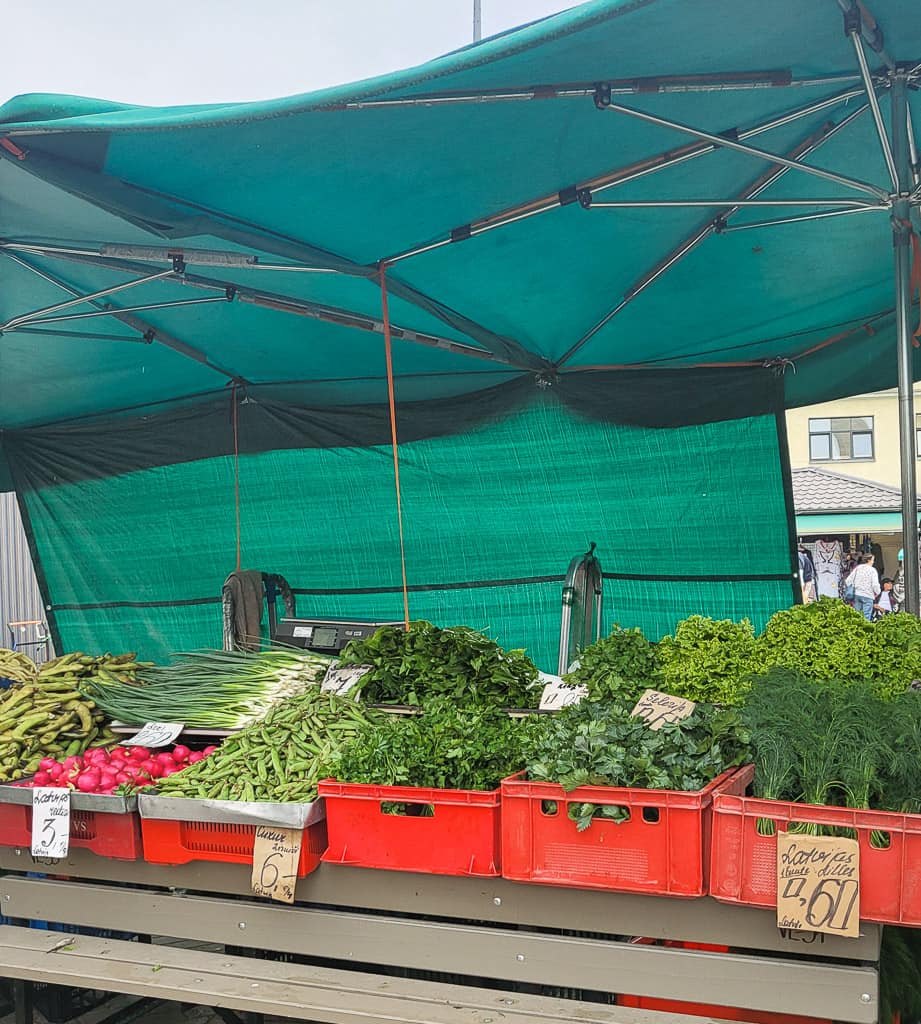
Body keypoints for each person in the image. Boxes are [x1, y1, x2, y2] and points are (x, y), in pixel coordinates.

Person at [846, 553, 881, 622]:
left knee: (857, 616)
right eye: (872, 560)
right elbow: (875, 585)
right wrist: (878, 592)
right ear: (868, 560)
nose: (873, 562)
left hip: (857, 595)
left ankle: (857, 630)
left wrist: (855, 586)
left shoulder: (857, 568)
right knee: (866, 617)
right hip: (868, 595)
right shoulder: (872, 570)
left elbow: (848, 581)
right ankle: (865, 631)